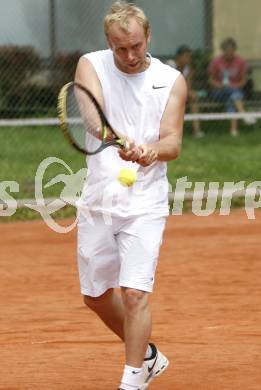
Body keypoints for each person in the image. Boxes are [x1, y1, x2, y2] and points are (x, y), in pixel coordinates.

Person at [74, 1, 187, 389]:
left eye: (136, 45)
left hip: (146, 203)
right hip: (98, 201)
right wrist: (117, 139)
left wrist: (152, 151)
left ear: (148, 36)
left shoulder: (171, 79)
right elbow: (93, 116)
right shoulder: (91, 64)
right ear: (109, 43)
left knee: (135, 293)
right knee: (95, 296)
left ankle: (132, 379)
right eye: (121, 48)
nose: (130, 55)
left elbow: (173, 141)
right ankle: (149, 356)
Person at [208, 37, 256, 136]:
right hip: (219, 92)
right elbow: (211, 80)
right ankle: (243, 115)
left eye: (231, 50)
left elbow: (243, 81)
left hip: (236, 91)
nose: (229, 52)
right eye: (227, 50)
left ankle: (233, 130)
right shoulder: (216, 62)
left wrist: (232, 86)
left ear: (234, 50)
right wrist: (221, 86)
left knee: (233, 98)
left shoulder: (240, 62)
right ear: (223, 50)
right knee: (234, 94)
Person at [167, 45, 204, 138]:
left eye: (190, 57)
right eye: (186, 56)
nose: (189, 59)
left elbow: (188, 86)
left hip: (180, 94)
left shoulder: (188, 69)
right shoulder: (170, 65)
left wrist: (190, 92)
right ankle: (170, 132)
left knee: (193, 98)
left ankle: (197, 130)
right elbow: (166, 85)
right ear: (179, 57)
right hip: (167, 94)